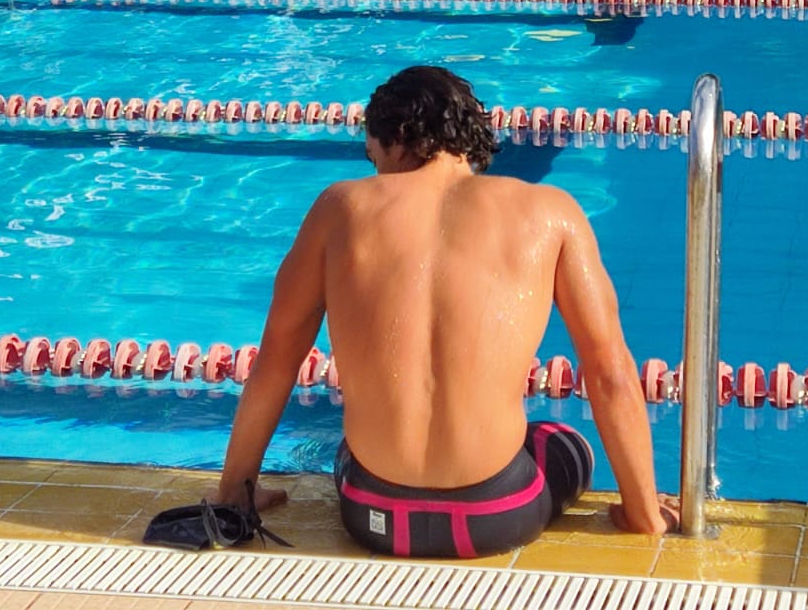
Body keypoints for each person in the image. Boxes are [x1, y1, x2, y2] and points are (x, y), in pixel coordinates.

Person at [215, 66, 677, 557]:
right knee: (565, 443)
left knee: (349, 441)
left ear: (398, 138)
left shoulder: (337, 207)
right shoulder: (551, 210)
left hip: (373, 513)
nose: (376, 175)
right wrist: (644, 513)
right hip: (497, 515)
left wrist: (234, 494)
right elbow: (609, 372)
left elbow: (277, 359)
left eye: (374, 158)